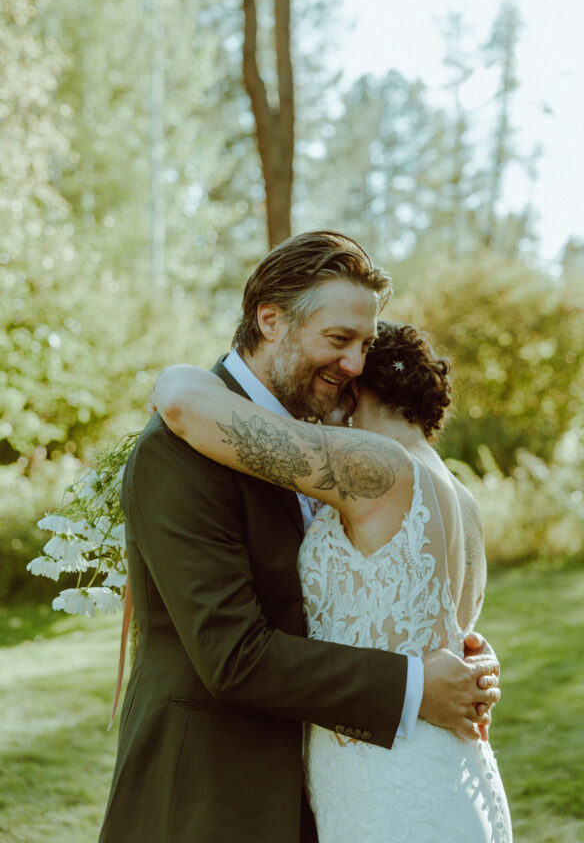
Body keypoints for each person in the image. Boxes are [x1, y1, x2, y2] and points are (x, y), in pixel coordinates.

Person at [98, 231, 501, 843]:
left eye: (365, 345)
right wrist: (417, 684)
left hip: (329, 783)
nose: (356, 366)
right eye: (338, 340)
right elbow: (232, 656)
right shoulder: (178, 450)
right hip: (211, 793)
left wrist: (454, 651)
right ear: (270, 320)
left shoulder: (319, 447)